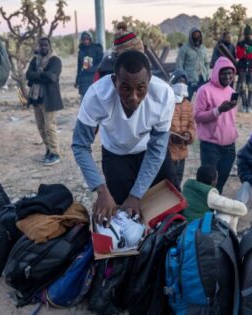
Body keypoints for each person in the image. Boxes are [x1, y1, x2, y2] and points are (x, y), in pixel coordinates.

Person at [71, 50, 176, 225]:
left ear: (149, 82)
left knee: (168, 212)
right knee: (122, 218)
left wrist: (136, 195)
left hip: (149, 153)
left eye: (141, 88)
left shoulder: (164, 95)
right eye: (125, 88)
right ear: (114, 81)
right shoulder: (97, 96)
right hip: (115, 154)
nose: (133, 97)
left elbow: (157, 149)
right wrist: (101, 190)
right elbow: (80, 145)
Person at [194, 56, 238, 194]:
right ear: (216, 73)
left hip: (229, 147)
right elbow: (197, 116)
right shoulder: (204, 90)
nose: (228, 76)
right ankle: (204, 213)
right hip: (210, 146)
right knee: (207, 184)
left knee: (220, 183)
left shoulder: (231, 92)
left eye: (230, 73)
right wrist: (218, 110)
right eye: (224, 73)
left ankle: (214, 212)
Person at [26, 37, 63, 166]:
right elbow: (27, 75)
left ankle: (55, 153)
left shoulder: (55, 60)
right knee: (41, 127)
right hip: (36, 99)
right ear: (38, 46)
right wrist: (42, 74)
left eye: (45, 45)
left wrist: (37, 75)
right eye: (41, 45)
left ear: (49, 46)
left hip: (49, 98)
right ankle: (48, 150)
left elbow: (53, 77)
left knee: (50, 127)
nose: (43, 47)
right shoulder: (34, 60)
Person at [182, 165, 247, 233]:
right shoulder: (209, 194)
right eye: (217, 178)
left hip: (185, 225)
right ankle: (232, 241)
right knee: (232, 213)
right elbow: (242, 209)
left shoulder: (188, 185)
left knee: (221, 210)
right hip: (199, 229)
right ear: (213, 181)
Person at [168, 69, 196, 187]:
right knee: (168, 183)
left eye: (184, 82)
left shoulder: (188, 105)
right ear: (172, 83)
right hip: (168, 152)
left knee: (178, 183)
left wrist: (188, 135)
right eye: (179, 81)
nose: (182, 84)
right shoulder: (167, 102)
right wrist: (171, 138)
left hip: (182, 153)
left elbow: (192, 125)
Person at [176, 27, 209, 101]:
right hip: (189, 80)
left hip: (202, 79)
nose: (197, 37)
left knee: (204, 100)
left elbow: (206, 63)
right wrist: (182, 77)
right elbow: (179, 64)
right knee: (186, 101)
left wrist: (207, 75)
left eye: (198, 35)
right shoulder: (184, 49)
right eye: (195, 35)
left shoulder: (203, 48)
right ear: (191, 36)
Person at [236, 25, 252, 113]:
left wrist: (245, 53)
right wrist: (249, 52)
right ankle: (244, 105)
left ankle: (249, 106)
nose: (248, 36)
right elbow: (239, 55)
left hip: (251, 68)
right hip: (242, 69)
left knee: (250, 88)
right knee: (242, 88)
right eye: (246, 34)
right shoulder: (239, 43)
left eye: (248, 34)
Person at [75, 31, 103, 100]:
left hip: (95, 77)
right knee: (84, 98)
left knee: (95, 97)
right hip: (84, 78)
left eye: (87, 39)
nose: (86, 41)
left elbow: (101, 63)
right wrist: (77, 80)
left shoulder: (97, 48)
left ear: (90, 39)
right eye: (84, 39)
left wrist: (92, 68)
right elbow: (79, 67)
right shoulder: (81, 50)